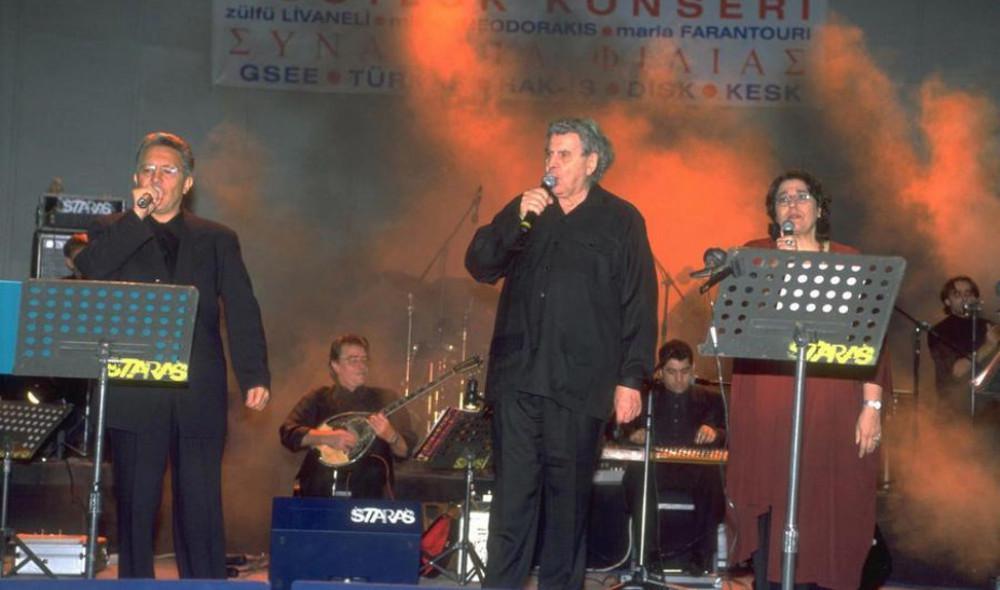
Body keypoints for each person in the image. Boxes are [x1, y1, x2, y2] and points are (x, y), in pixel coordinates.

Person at [465, 117, 657, 589]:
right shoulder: (528, 208)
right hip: (518, 379)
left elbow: (639, 304)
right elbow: (480, 265)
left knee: (567, 511)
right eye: (548, 153)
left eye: (564, 155)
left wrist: (631, 379)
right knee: (511, 505)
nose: (551, 163)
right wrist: (513, 220)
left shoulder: (621, 219)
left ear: (592, 162)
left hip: (579, 384)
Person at [74, 131, 271, 579]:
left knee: (200, 504)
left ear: (187, 183)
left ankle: (204, 583)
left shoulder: (217, 239)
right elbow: (90, 269)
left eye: (168, 170)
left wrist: (254, 374)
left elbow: (242, 307)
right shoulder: (112, 229)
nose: (156, 178)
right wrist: (136, 218)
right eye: (148, 169)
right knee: (137, 503)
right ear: (135, 179)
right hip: (135, 387)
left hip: (198, 388)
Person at [725, 170, 891, 590]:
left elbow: (874, 343)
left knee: (827, 502)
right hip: (771, 402)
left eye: (802, 196)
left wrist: (871, 407)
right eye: (783, 198)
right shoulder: (757, 254)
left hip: (832, 403)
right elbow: (739, 324)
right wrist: (779, 267)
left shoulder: (850, 259)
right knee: (773, 496)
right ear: (773, 213)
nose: (792, 204)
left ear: (819, 208)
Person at [621, 339, 725, 575]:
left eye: (684, 371)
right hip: (657, 471)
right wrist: (633, 435)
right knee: (638, 475)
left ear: (693, 369)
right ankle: (649, 557)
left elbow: (728, 434)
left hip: (695, 473)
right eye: (671, 372)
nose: (679, 379)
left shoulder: (711, 400)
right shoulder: (645, 399)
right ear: (660, 372)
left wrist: (715, 432)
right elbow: (618, 430)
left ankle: (701, 558)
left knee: (712, 478)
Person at [279, 334, 415, 498]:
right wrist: (327, 438)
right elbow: (288, 433)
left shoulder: (387, 398)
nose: (362, 366)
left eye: (364, 360)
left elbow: (406, 451)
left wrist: (392, 436)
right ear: (335, 365)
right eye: (353, 360)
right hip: (320, 495)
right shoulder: (319, 398)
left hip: (371, 499)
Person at [928, 276, 1000, 417]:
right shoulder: (939, 331)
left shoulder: (989, 326)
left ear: (976, 298)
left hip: (990, 410)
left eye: (968, 293)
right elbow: (957, 371)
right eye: (957, 294)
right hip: (956, 410)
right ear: (947, 301)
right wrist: (988, 346)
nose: (964, 298)